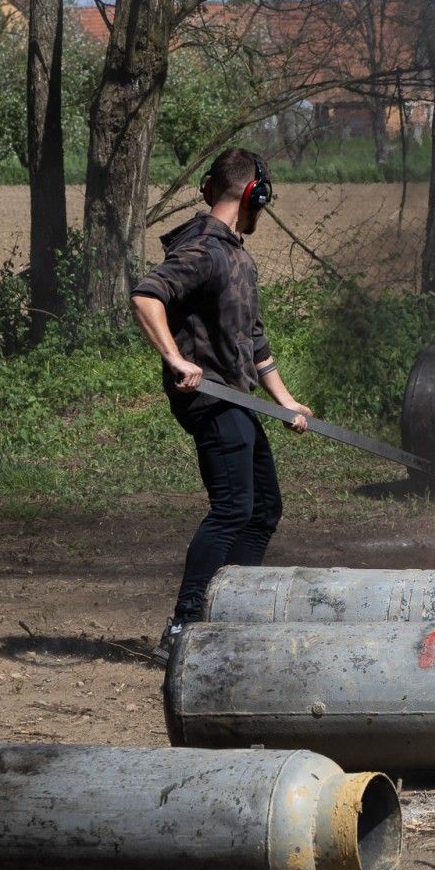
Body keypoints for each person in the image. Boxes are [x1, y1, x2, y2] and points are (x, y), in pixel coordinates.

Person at [130, 147, 312, 661]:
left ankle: (230, 613)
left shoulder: (237, 257)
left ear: (212, 189)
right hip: (210, 399)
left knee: (263, 509)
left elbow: (254, 343)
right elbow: (147, 295)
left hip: (238, 398)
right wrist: (175, 359)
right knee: (233, 508)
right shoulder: (206, 249)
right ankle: (185, 627)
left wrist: (287, 401)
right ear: (255, 194)